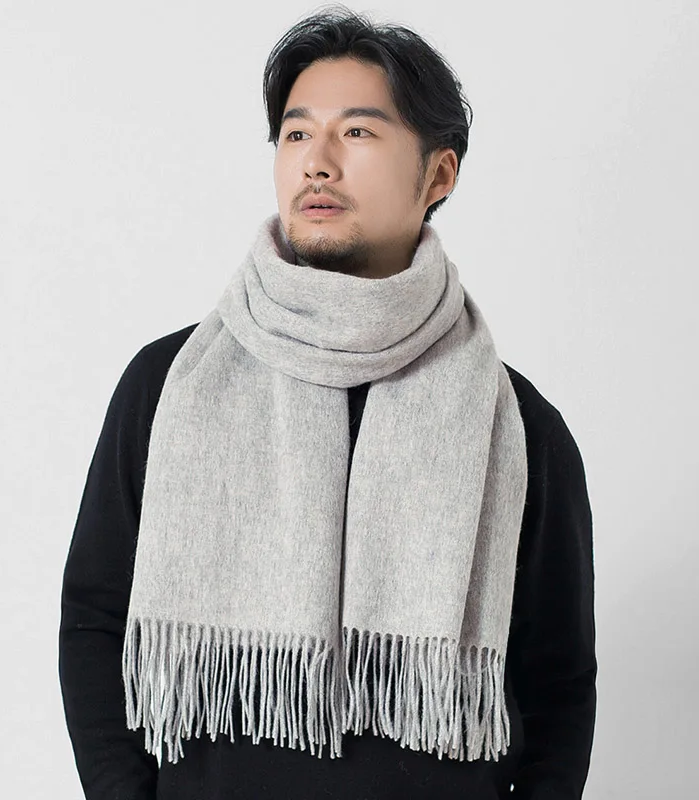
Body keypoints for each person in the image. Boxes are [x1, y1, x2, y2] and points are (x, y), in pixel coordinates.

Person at [58, 6, 597, 799]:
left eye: (358, 132)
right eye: (297, 133)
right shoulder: (170, 384)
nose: (317, 161)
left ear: (439, 175)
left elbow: (559, 683)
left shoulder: (512, 424)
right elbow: (96, 624)